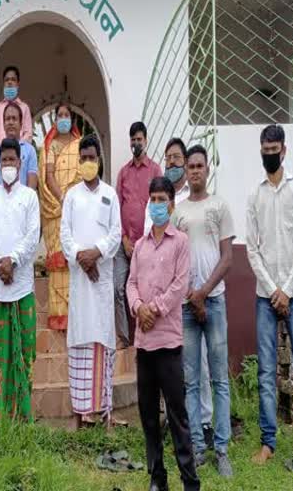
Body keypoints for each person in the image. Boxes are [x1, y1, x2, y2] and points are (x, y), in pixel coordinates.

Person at [246, 124, 293, 464]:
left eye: (274, 149)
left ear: (284, 151)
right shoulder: (255, 195)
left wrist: (286, 290)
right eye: (264, 149)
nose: (269, 155)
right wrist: (273, 290)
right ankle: (268, 443)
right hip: (265, 296)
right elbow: (252, 250)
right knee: (266, 371)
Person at [127, 177, 199, 491]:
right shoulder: (140, 246)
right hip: (144, 346)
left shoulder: (180, 242)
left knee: (178, 415)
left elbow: (179, 286)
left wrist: (152, 309)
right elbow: (130, 283)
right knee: (148, 417)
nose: (157, 204)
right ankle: (158, 479)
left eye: (162, 199)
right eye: (152, 199)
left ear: (171, 204)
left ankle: (189, 481)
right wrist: (137, 306)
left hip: (168, 344)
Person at [145, 138, 216, 449]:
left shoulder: (195, 200)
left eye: (178, 159)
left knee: (198, 365)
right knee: (175, 368)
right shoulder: (164, 202)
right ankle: (174, 419)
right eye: (169, 159)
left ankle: (204, 421)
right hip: (171, 298)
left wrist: (196, 294)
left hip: (196, 293)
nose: (173, 163)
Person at [171, 145, 235, 477]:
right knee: (191, 380)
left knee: (220, 379)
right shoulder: (178, 212)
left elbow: (227, 258)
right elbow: (174, 262)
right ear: (186, 171)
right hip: (185, 306)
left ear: (207, 169)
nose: (194, 170)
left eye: (199, 165)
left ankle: (221, 449)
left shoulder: (219, 206)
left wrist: (203, 293)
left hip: (214, 301)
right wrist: (190, 297)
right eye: (190, 166)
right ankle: (197, 446)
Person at [60, 135, 121, 430]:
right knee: (80, 343)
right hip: (81, 284)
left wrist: (96, 254)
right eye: (83, 158)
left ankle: (104, 414)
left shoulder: (110, 194)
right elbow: (64, 235)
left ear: (100, 160)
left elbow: (116, 233)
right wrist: (81, 259)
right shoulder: (71, 196)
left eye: (92, 157)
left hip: (101, 282)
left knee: (103, 342)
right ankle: (81, 416)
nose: (87, 162)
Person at [0, 138, 40, 420]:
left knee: (24, 352)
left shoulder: (29, 197)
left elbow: (32, 235)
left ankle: (23, 416)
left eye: (13, 160)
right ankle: (2, 416)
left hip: (22, 284)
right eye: (4, 161)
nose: (8, 165)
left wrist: (12, 260)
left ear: (21, 162)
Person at [114, 121, 163, 348]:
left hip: (147, 243)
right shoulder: (123, 173)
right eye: (133, 139)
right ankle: (124, 337)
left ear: (146, 140)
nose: (136, 143)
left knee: (145, 289)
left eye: (139, 139)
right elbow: (117, 208)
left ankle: (145, 336)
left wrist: (145, 241)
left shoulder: (155, 170)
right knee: (118, 288)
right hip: (124, 244)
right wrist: (124, 238)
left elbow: (159, 206)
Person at [39, 101, 83, 330]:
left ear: (72, 120)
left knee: (75, 258)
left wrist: (75, 201)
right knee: (59, 259)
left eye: (67, 115)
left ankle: (77, 314)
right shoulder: (52, 146)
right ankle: (59, 317)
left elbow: (86, 175)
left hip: (79, 210)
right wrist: (63, 199)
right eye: (60, 115)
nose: (63, 118)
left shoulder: (80, 145)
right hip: (58, 207)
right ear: (56, 120)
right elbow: (48, 176)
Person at [0, 102, 38, 189]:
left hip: (23, 202)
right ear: (3, 124)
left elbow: (32, 185)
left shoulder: (30, 151)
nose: (11, 122)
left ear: (21, 124)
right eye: (7, 119)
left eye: (14, 119)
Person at [0, 65, 33, 149]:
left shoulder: (25, 108)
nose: (9, 82)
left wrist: (17, 150)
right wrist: (0, 151)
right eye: (7, 80)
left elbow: (28, 134)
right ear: (3, 83)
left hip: (19, 156)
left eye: (13, 79)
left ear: (18, 83)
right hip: (0, 157)